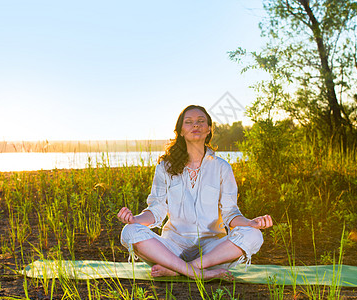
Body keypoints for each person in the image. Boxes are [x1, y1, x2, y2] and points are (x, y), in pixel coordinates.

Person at [117, 105, 273, 280]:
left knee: (254, 235)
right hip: (172, 248)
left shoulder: (222, 167)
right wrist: (135, 220)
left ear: (209, 130)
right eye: (189, 122)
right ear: (181, 131)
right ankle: (196, 272)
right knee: (129, 231)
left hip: (212, 250)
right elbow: (156, 209)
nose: (196, 125)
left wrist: (251, 223)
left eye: (201, 121)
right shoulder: (165, 167)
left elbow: (230, 213)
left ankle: (186, 269)